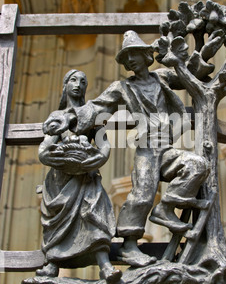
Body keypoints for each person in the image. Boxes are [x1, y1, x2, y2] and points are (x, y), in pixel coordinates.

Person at [43, 32, 210, 268]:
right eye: (126, 57)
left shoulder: (162, 78)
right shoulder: (121, 87)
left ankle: (166, 208)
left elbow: (189, 75)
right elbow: (96, 107)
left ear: (145, 56)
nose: (130, 60)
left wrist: (191, 56)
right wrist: (67, 118)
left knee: (196, 165)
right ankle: (129, 246)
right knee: (142, 192)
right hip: (146, 147)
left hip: (167, 146)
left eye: (134, 54)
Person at [37, 70, 122, 283]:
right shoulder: (58, 117)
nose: (78, 85)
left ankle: (105, 266)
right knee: (57, 223)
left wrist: (97, 159)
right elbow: (45, 149)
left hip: (86, 175)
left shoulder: (92, 113)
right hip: (61, 180)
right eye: (73, 80)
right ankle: (52, 265)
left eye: (83, 81)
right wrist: (57, 157)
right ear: (65, 85)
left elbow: (103, 145)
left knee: (94, 213)